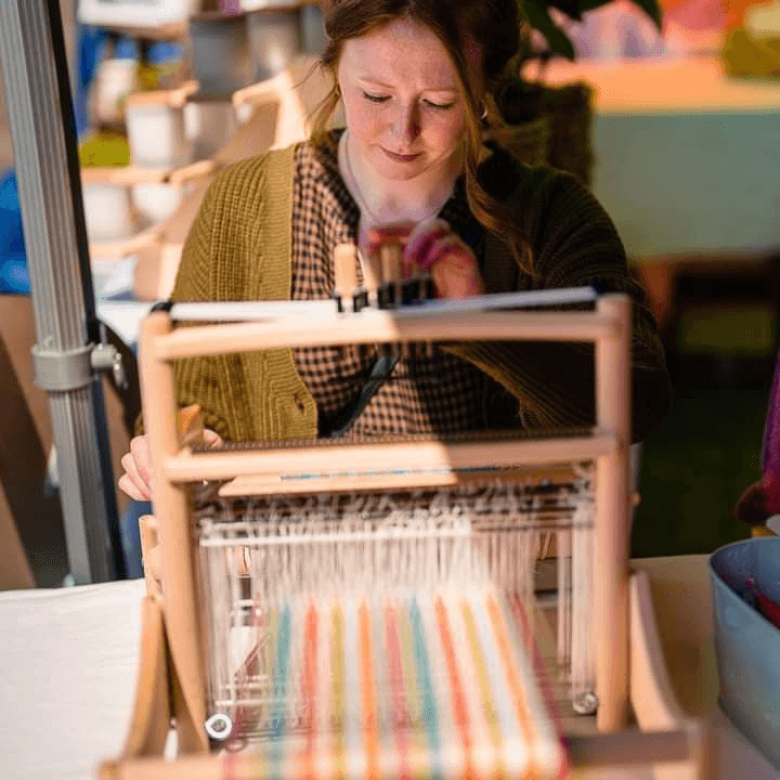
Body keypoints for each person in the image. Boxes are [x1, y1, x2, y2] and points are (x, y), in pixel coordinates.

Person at [119, 0, 670, 504]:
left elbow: (638, 401)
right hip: (298, 573)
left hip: (493, 573)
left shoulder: (548, 218)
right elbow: (186, 402)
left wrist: (485, 327)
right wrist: (180, 448)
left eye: (438, 102)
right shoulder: (245, 206)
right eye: (375, 96)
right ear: (334, 67)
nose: (402, 132)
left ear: (484, 90)